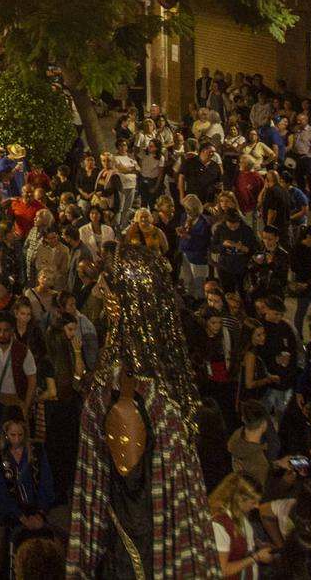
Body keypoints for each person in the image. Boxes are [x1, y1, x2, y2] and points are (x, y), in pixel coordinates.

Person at [62, 245, 215, 578]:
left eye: (109, 287)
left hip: (135, 555)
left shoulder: (126, 394)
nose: (101, 292)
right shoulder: (164, 383)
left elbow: (131, 501)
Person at [207, 472, 273, 577]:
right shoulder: (220, 524)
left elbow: (239, 542)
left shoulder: (239, 514)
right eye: (253, 502)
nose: (257, 506)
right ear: (239, 499)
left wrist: (258, 545)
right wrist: (256, 557)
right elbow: (223, 570)